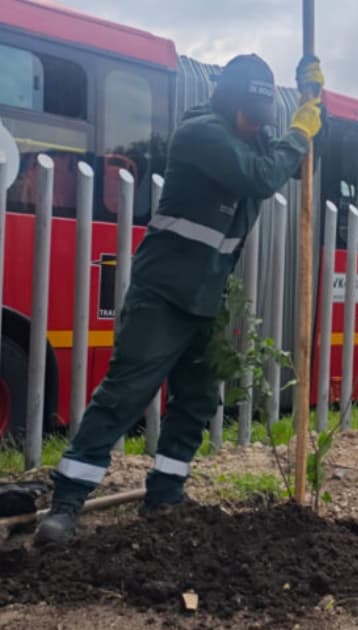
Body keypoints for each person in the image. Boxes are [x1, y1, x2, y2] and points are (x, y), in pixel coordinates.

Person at [35, 54, 326, 545]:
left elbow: (304, 157)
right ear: (232, 105)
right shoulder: (201, 134)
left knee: (196, 401)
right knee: (124, 395)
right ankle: (66, 503)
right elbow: (261, 175)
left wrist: (314, 102)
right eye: (249, 116)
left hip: (209, 299)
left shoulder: (250, 139)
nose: (254, 127)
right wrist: (297, 132)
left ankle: (165, 496)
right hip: (163, 294)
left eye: (260, 121)